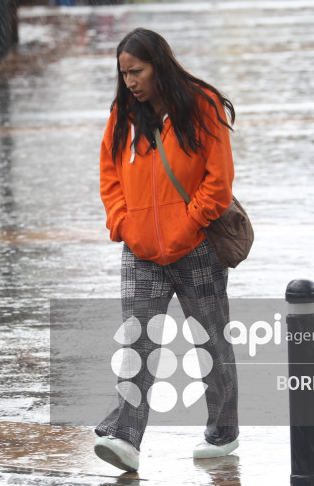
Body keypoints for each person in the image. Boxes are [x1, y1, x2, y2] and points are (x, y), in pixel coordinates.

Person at [95, 28, 240, 471]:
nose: (131, 82)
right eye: (124, 74)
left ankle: (222, 429)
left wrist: (190, 223)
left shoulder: (201, 106)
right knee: (137, 340)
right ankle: (126, 437)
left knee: (210, 340)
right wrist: (123, 223)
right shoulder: (124, 113)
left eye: (136, 71)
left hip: (197, 248)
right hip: (141, 252)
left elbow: (219, 180)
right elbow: (109, 174)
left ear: (159, 65)